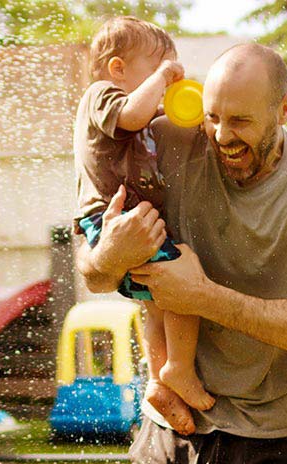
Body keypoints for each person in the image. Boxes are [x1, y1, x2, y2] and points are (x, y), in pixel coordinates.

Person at [75, 43, 287, 464]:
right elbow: (95, 273)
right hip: (170, 429)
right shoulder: (169, 143)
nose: (220, 135)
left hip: (273, 440)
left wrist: (202, 297)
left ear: (283, 109)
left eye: (240, 121)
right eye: (212, 116)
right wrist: (109, 254)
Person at [71, 16, 215, 411]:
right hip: (110, 218)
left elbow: (162, 120)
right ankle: (179, 369)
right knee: (182, 280)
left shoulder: (135, 108)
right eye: (158, 71)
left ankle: (158, 383)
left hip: (123, 220)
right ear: (118, 69)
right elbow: (134, 115)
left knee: (155, 299)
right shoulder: (101, 95)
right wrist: (164, 77)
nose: (165, 84)